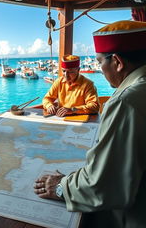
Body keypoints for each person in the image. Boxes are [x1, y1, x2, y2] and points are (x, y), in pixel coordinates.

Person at [34, 20, 146, 227]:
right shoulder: (59, 83)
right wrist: (49, 105)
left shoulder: (125, 101)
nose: (100, 68)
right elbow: (48, 99)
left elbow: (102, 183)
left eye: (99, 61)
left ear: (118, 62)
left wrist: (62, 187)